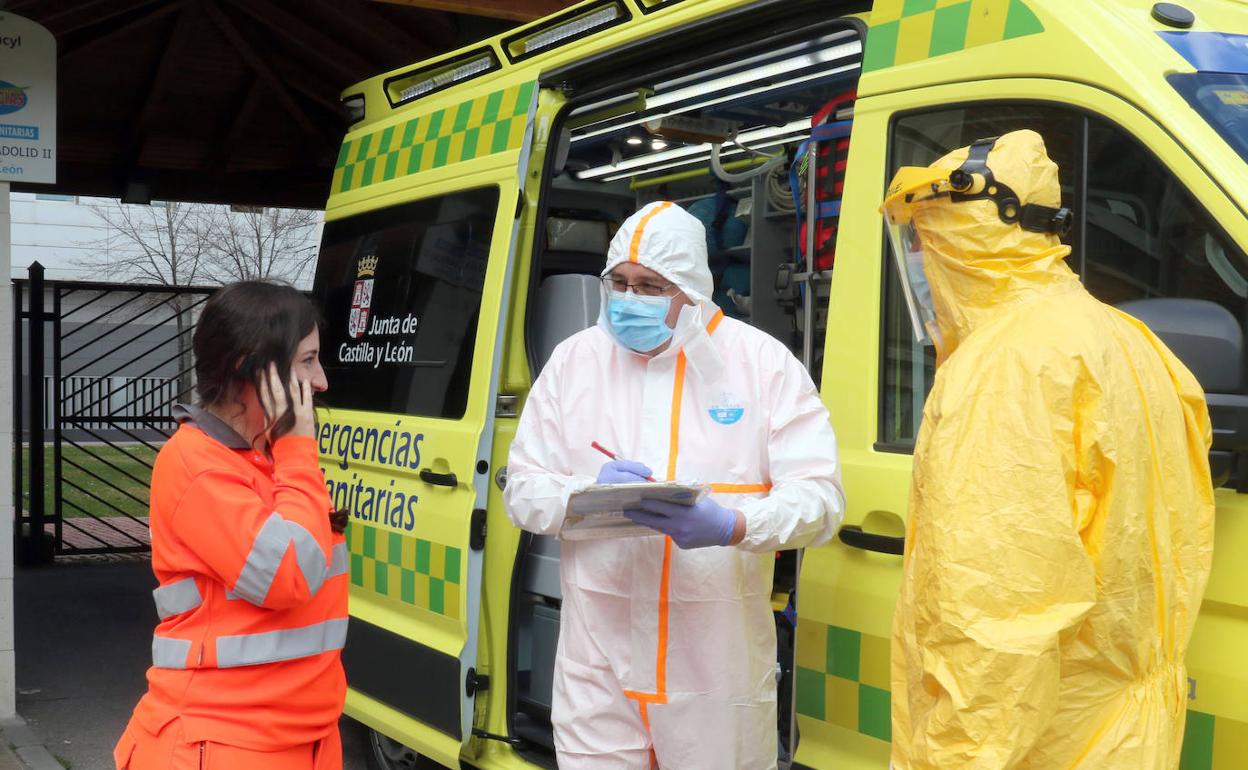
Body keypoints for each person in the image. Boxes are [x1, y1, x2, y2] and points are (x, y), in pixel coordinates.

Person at [881, 129, 1215, 768]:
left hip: (1044, 743)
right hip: (1126, 734)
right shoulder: (1130, 338)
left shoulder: (1006, 368)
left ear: (964, 239)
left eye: (925, 238)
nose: (920, 258)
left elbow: (991, 622)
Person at [504, 201, 845, 769]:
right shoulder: (575, 362)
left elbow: (820, 499)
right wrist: (581, 495)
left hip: (713, 671)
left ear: (692, 289)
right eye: (620, 283)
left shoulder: (761, 365)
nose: (630, 299)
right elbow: (521, 488)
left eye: (651, 286)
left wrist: (737, 524)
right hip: (598, 663)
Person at [114, 281, 349, 770]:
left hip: (300, 741)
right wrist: (298, 452)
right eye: (307, 361)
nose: (321, 381)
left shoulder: (265, 462)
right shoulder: (198, 465)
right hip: (223, 742)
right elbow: (290, 576)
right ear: (252, 369)